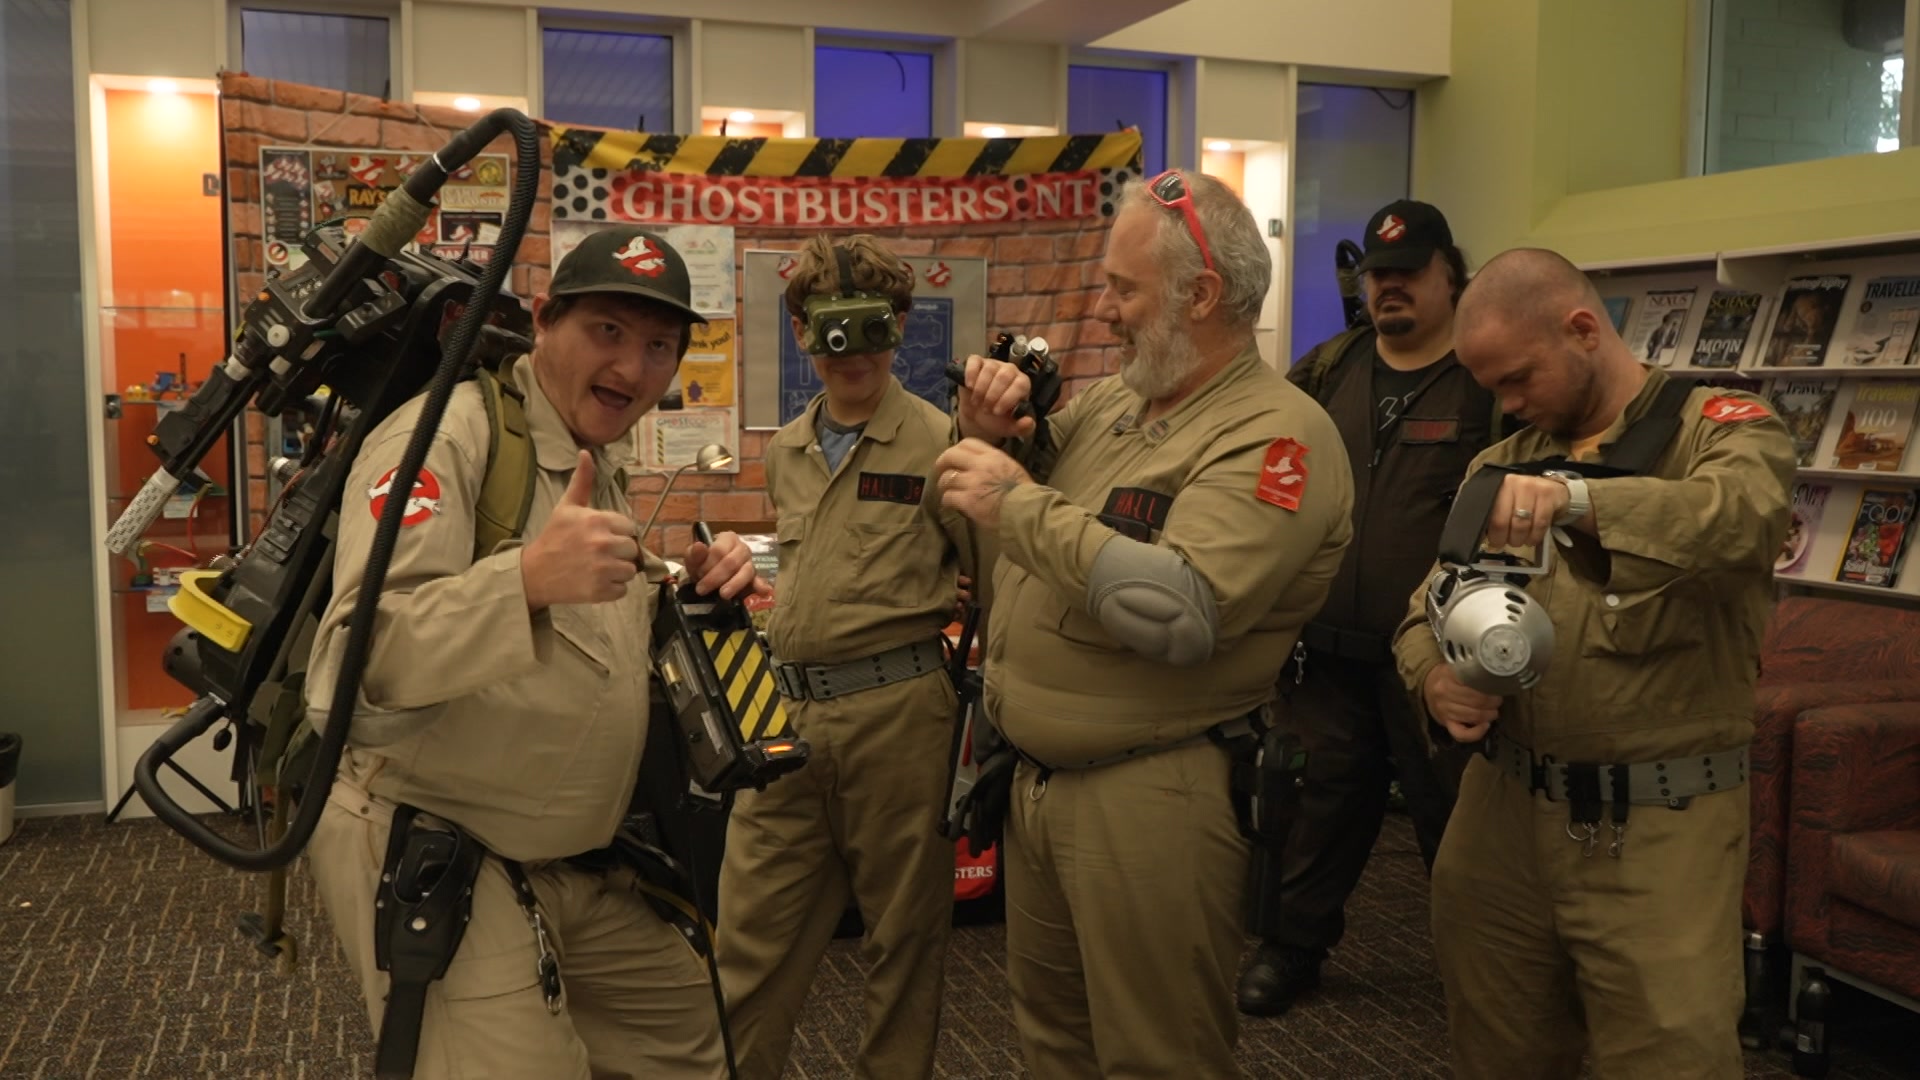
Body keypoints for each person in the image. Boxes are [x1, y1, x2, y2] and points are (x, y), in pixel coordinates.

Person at [302, 226, 759, 1079]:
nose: (632, 367)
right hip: (444, 843)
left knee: (688, 1041)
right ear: (544, 321)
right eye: (608, 331)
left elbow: (590, 640)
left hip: (576, 857)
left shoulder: (595, 461)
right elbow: (347, 671)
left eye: (659, 346)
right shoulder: (447, 437)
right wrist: (522, 583)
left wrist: (691, 592)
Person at [937, 169, 1355, 1078]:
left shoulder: (1279, 436)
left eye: (1123, 290)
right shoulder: (1119, 403)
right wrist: (992, 426)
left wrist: (1018, 504)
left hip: (1152, 794)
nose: (1103, 311)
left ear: (1200, 295)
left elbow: (1182, 610)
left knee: (1157, 1057)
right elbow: (1022, 490)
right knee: (1054, 1046)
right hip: (1039, 785)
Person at [1391, 247, 1794, 1076]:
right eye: (1492, 388)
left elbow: (1739, 521)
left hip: (1656, 829)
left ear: (1582, 329)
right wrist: (1434, 677)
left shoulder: (1723, 430)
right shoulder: (1500, 465)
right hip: (1502, 819)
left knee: (1670, 1056)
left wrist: (1577, 499)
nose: (1507, 404)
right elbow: (1425, 607)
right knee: (1496, 1046)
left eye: (1517, 379)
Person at [714, 234, 978, 1080]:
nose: (850, 349)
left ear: (899, 326)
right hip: (788, 724)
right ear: (801, 333)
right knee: (747, 944)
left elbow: (990, 575)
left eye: (872, 326)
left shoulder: (941, 443)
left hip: (899, 721)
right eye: (832, 328)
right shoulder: (785, 450)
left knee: (903, 944)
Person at [1237, 199, 1498, 1017]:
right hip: (1326, 655)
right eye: (1378, 275)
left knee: (1459, 824)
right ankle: (1292, 948)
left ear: (1450, 275)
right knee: (1309, 812)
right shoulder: (1329, 368)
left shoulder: (1487, 381)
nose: (1389, 287)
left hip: (1440, 660)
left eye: (1408, 272)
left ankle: (1489, 976)